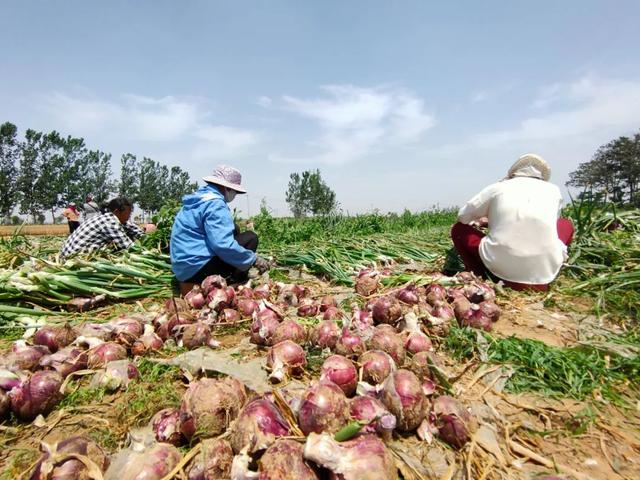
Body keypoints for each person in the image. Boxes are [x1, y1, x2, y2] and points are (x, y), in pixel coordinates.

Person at [451, 154, 574, 291]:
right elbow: (550, 224)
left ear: (514, 173)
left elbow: (463, 216)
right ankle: (553, 262)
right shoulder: (554, 190)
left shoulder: (498, 187)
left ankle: (479, 274)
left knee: (458, 229)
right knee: (565, 224)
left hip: (501, 270)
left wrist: (482, 220)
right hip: (543, 276)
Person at [170, 165, 269, 295]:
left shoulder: (198, 199)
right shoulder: (215, 204)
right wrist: (253, 259)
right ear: (225, 187)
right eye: (234, 191)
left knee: (234, 228)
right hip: (198, 269)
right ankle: (235, 280)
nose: (234, 195)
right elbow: (222, 245)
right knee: (251, 237)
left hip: (183, 268)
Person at [61, 197, 155, 258]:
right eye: (129, 212)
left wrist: (146, 234)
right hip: (73, 257)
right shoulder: (111, 222)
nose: (130, 215)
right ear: (117, 211)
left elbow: (130, 226)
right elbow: (129, 247)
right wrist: (153, 253)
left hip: (67, 253)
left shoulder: (108, 217)